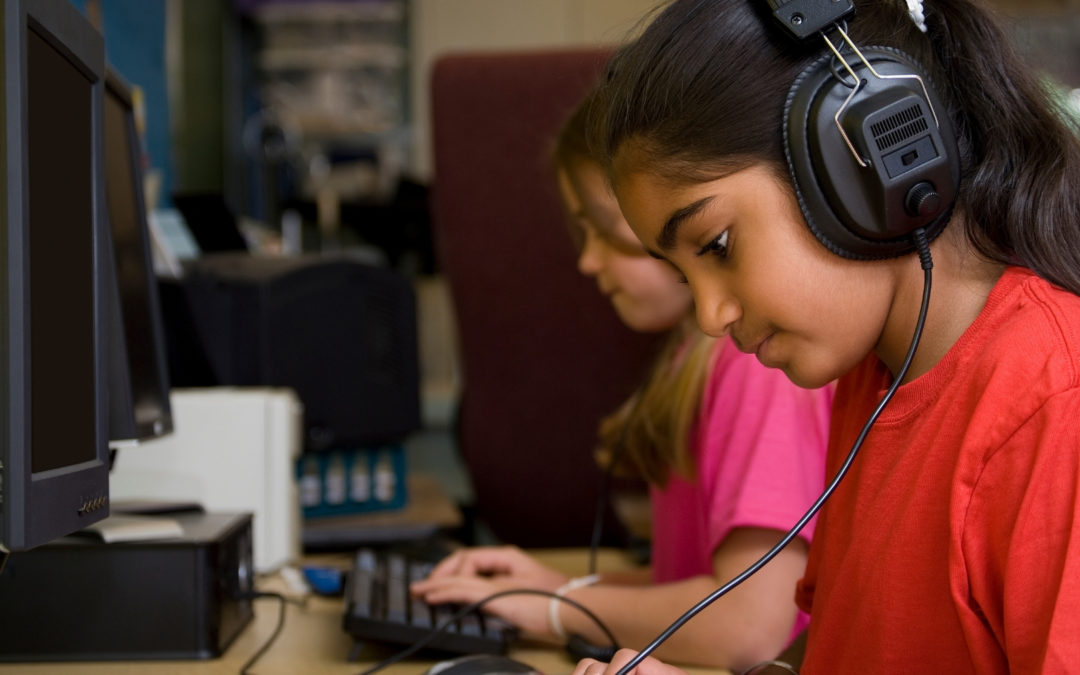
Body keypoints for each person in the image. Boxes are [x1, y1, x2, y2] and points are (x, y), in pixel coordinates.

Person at [569, 0, 1080, 674]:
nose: (710, 315)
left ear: (865, 160)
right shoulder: (876, 377)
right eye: (684, 276)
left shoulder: (1051, 402)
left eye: (717, 244)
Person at [409, 91, 834, 670]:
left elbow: (748, 626)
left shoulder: (757, 368)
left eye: (609, 230)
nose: (587, 262)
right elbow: (692, 582)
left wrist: (557, 608)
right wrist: (559, 589)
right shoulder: (695, 357)